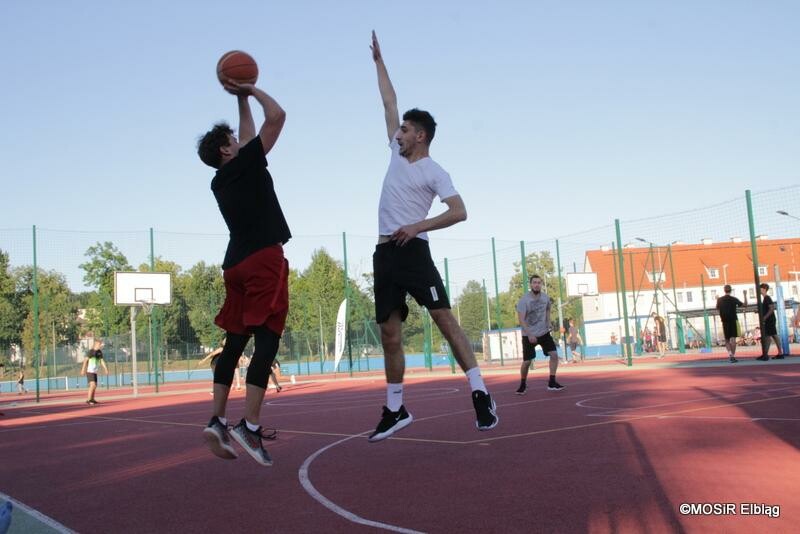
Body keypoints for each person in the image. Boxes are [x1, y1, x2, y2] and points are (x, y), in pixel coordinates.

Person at [367, 31, 498, 442]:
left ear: (419, 135)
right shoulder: (395, 152)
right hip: (385, 253)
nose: (398, 132)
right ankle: (395, 408)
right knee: (390, 332)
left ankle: (480, 392)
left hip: (413, 251)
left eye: (405, 129)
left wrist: (418, 226)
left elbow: (459, 211)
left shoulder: (434, 171)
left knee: (444, 319)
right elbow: (389, 100)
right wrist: (379, 62)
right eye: (399, 129)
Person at [197, 75, 290, 466]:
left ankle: (217, 420)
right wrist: (251, 89)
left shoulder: (221, 179)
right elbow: (278, 117)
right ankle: (249, 426)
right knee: (267, 338)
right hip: (262, 259)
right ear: (226, 150)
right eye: (232, 141)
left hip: (233, 263)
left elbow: (250, 134)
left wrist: (239, 100)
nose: (239, 142)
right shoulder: (245, 163)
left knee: (235, 342)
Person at [515, 275, 565, 394]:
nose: (537, 284)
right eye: (534, 282)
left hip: (543, 332)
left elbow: (548, 309)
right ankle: (523, 383)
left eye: (539, 282)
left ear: (541, 284)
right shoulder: (524, 300)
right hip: (529, 335)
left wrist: (548, 322)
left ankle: (552, 382)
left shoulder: (545, 298)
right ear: (531, 285)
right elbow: (521, 319)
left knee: (554, 355)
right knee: (527, 362)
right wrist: (530, 334)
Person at [716, 285, 743, 363]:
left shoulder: (720, 300)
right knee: (733, 339)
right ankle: (733, 356)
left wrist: (717, 299)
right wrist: (745, 295)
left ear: (724, 290)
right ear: (731, 290)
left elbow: (717, 308)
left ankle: (730, 354)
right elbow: (745, 305)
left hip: (724, 321)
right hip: (733, 320)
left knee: (727, 340)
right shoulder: (734, 299)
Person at [757, 283, 784, 360]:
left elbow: (772, 308)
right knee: (770, 336)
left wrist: (764, 317)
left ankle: (773, 354)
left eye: (760, 289)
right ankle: (768, 354)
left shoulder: (767, 298)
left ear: (764, 289)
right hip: (769, 319)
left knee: (771, 336)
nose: (759, 290)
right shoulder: (765, 299)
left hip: (770, 320)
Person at [80, 340, 109, 404]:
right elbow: (85, 360)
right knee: (92, 385)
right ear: (96, 345)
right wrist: (83, 370)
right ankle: (89, 400)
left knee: (95, 386)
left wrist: (105, 369)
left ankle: (92, 399)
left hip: (95, 372)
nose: (101, 346)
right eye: (100, 345)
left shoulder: (99, 352)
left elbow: (101, 361)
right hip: (90, 371)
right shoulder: (91, 352)